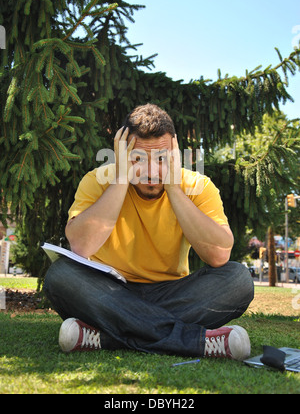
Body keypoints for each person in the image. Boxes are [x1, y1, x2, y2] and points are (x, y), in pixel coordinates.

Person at [44, 104, 254, 360]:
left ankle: (108, 337)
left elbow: (219, 255)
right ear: (122, 155)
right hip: (110, 291)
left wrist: (174, 189)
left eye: (162, 158)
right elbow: (81, 247)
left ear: (175, 155)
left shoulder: (198, 186)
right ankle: (193, 341)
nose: (152, 172)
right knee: (60, 275)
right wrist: (121, 179)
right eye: (138, 159)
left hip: (172, 292)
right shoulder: (98, 181)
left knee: (238, 280)